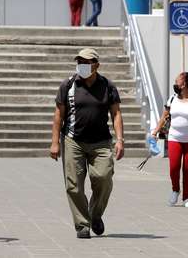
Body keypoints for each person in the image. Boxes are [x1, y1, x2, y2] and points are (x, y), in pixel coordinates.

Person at [49, 48, 124, 239]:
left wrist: (120, 140)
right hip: (73, 140)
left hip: (101, 142)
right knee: (73, 185)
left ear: (96, 65)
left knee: (104, 177)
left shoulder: (107, 86)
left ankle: (95, 214)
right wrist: (54, 142)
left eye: (87, 62)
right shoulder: (68, 85)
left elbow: (116, 114)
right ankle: (82, 224)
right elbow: (59, 115)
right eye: (79, 61)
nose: (82, 65)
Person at [152, 72, 188, 208]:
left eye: (177, 81)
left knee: (187, 169)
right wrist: (155, 131)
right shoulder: (172, 99)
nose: (175, 84)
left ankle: (186, 198)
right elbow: (163, 117)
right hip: (174, 138)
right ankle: (175, 189)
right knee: (174, 168)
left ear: (184, 84)